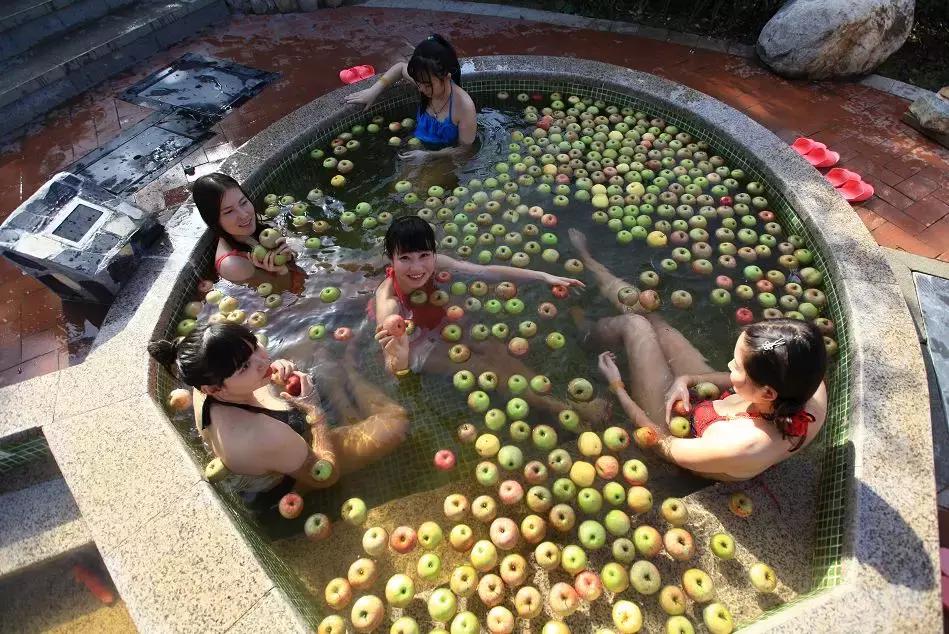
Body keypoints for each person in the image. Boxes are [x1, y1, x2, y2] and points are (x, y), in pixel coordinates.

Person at [568, 228, 827, 481]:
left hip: (681, 434)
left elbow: (662, 444)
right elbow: (749, 380)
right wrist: (687, 380)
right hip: (710, 400)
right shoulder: (805, 378)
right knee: (648, 316)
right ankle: (590, 262)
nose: (729, 366)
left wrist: (617, 386)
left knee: (635, 326)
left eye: (737, 365)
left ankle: (585, 332)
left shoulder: (742, 445)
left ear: (768, 393)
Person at [371, 216, 607, 422]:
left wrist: (543, 276)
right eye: (405, 258)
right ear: (390, 258)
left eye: (424, 255)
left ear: (433, 252)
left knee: (496, 350)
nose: (417, 267)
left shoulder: (436, 264)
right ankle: (565, 409)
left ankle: (556, 397)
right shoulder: (388, 301)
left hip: (440, 323)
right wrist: (400, 357)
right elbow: (391, 368)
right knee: (482, 367)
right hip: (417, 344)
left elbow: (485, 272)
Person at [148, 323, 409, 505]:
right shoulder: (263, 435)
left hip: (271, 440)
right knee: (396, 422)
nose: (263, 361)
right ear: (214, 387)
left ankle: (343, 399)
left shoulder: (202, 379)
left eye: (254, 346)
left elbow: (252, 376)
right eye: (245, 367)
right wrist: (314, 409)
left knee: (313, 346)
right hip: (289, 475)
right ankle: (350, 374)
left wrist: (275, 377)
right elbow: (325, 475)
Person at [345, 34, 477, 162]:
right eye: (418, 83)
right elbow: (400, 67)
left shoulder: (464, 107)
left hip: (443, 158)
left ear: (447, 77)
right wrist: (374, 90)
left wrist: (429, 155)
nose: (421, 89)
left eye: (427, 85)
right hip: (416, 147)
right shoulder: (426, 79)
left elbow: (465, 149)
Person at [192, 173, 297, 284]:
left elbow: (295, 243)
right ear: (214, 220)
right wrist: (281, 270)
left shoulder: (254, 219)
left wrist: (290, 255)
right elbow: (282, 293)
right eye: (229, 211)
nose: (244, 214)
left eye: (243, 202)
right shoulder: (232, 264)